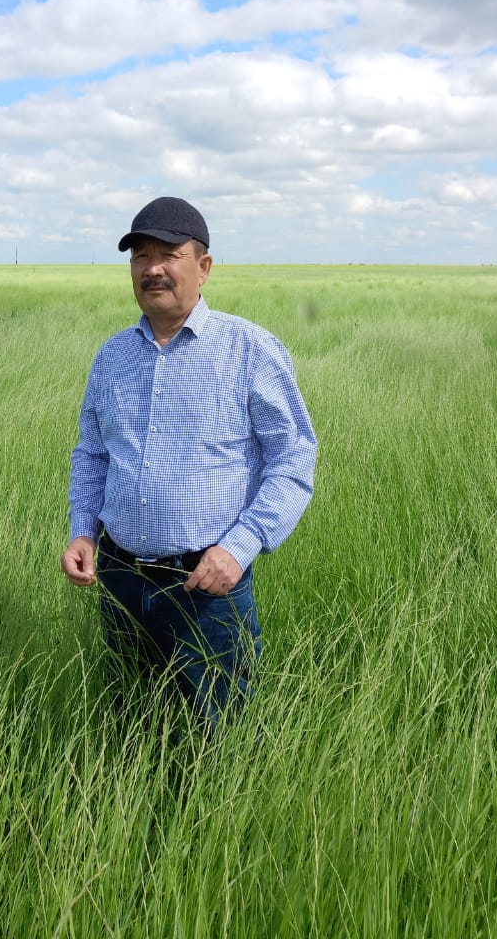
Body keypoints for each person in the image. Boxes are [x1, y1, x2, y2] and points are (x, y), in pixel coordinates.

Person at [61, 196, 316, 730]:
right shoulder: (112, 356)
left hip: (207, 585)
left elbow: (293, 459)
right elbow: (92, 454)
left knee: (219, 736)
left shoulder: (250, 349)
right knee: (131, 724)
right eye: (140, 255)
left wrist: (239, 548)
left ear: (203, 267)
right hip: (120, 577)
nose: (152, 268)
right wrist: (83, 532)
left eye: (169, 254)